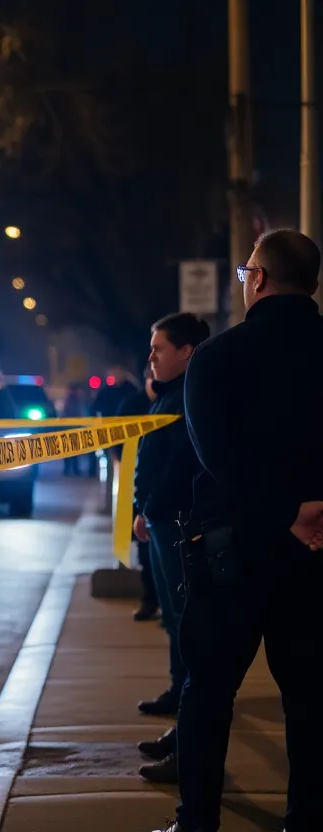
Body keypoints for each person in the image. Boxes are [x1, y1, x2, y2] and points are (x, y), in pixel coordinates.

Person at [151, 229, 323, 832]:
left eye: (247, 273)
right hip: (316, 553)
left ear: (262, 280)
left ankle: (197, 821)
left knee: (210, 691)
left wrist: (284, 512)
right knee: (308, 698)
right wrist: (309, 512)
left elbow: (219, 456)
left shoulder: (219, 358)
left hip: (231, 551)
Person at [128, 314, 210, 785]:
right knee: (174, 620)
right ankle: (179, 708)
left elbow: (176, 468)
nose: (151, 357)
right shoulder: (168, 398)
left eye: (159, 349)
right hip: (160, 521)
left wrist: (150, 507)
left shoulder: (187, 402)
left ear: (187, 352)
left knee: (185, 622)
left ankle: (186, 728)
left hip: (175, 522)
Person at [117, 366, 159, 622]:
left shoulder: (178, 400)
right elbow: (116, 442)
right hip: (139, 488)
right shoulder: (133, 404)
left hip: (167, 493)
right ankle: (151, 600)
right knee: (145, 550)